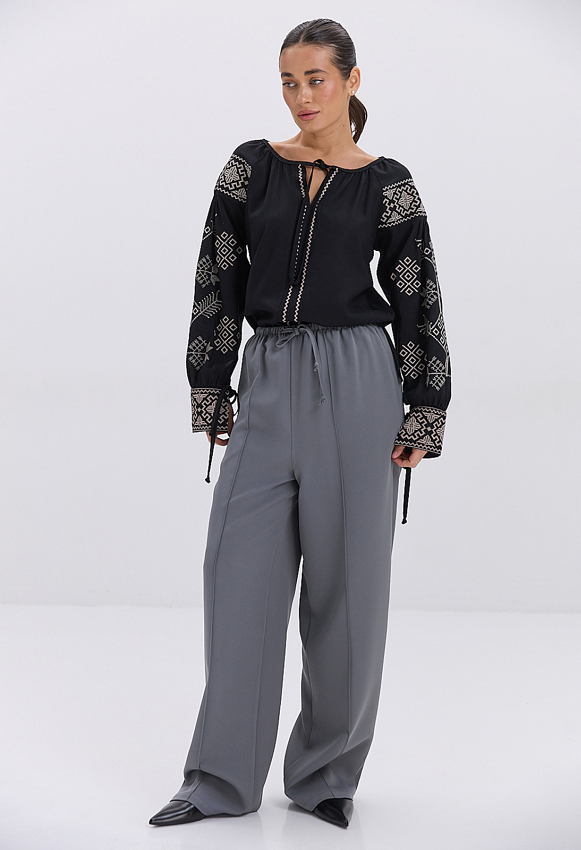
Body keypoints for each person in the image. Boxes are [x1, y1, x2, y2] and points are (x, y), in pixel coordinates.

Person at [149, 17, 451, 830]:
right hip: (270, 375)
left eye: (316, 78)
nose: (301, 95)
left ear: (351, 80)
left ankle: (323, 778)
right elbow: (216, 276)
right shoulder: (251, 168)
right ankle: (219, 780)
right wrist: (211, 385)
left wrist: (425, 407)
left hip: (359, 380)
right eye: (289, 81)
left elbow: (418, 295)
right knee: (236, 576)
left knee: (349, 591)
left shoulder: (388, 184)